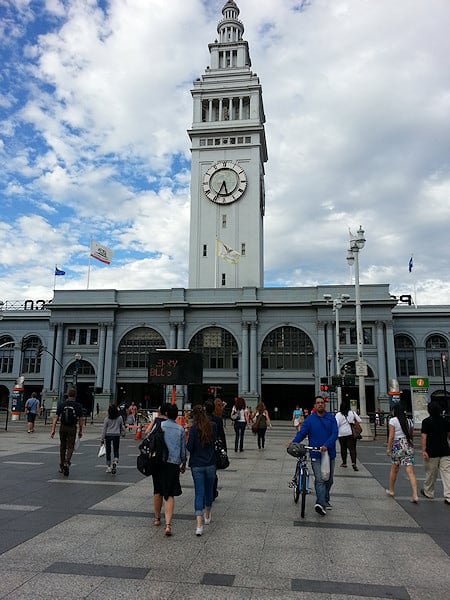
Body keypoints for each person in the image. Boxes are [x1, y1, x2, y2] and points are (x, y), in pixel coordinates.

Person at [290, 395, 338, 516]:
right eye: (318, 403)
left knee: (329, 479)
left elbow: (335, 433)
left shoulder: (331, 418)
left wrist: (326, 445)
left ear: (324, 405)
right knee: (320, 479)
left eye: (322, 402)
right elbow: (302, 433)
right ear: (315, 406)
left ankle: (325, 499)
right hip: (315, 454)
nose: (320, 404)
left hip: (329, 453)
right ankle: (320, 503)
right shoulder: (310, 420)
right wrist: (293, 443)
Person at [152, 403, 187, 537]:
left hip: (158, 462)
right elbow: (183, 450)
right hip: (173, 463)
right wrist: (183, 463)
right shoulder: (180, 429)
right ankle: (168, 525)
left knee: (157, 490)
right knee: (169, 493)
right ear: (177, 415)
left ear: (166, 414)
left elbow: (150, 439)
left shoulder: (159, 425)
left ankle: (156, 519)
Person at [186, 404, 217, 536]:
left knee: (199, 492)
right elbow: (215, 442)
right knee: (209, 490)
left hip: (197, 465)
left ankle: (199, 526)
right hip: (210, 464)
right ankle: (207, 515)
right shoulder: (212, 426)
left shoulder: (193, 429)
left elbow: (189, 448)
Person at [386, 404, 418, 502]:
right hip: (407, 445)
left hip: (397, 445)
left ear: (395, 411)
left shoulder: (393, 421)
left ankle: (391, 490)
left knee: (394, 468)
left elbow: (391, 436)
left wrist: (388, 448)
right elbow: (411, 434)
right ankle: (415, 494)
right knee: (410, 471)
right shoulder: (409, 421)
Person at [420, 400, 450, 504]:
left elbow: (424, 437)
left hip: (431, 451)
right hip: (445, 450)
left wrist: (424, 450)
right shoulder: (445, 421)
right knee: (446, 473)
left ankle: (428, 492)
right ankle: (449, 496)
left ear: (429, 410)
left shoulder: (426, 421)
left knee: (431, 473)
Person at [50, 389, 83, 476]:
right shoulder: (78, 405)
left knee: (62, 446)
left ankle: (61, 465)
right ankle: (67, 462)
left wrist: (53, 429)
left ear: (68, 395)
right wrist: (80, 430)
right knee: (70, 446)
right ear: (75, 395)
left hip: (63, 427)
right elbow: (80, 419)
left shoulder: (62, 404)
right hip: (72, 427)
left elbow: (56, 417)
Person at [205, 399, 226, 498]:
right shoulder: (218, 420)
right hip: (214, 449)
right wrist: (224, 450)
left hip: (203, 449)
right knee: (213, 471)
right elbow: (221, 436)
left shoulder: (200, 420)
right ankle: (213, 491)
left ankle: (207, 492)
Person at [335, 400, 362, 471]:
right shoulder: (352, 413)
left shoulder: (338, 415)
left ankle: (344, 463)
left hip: (341, 434)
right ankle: (354, 463)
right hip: (351, 433)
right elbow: (359, 420)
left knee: (343, 448)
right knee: (352, 449)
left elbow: (336, 424)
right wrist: (352, 422)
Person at [101, 404, 124, 474]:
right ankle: (115, 461)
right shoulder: (120, 417)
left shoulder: (107, 419)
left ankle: (108, 466)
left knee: (108, 451)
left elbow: (104, 429)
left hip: (108, 435)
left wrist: (102, 439)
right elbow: (122, 426)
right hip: (116, 435)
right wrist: (123, 433)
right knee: (116, 449)